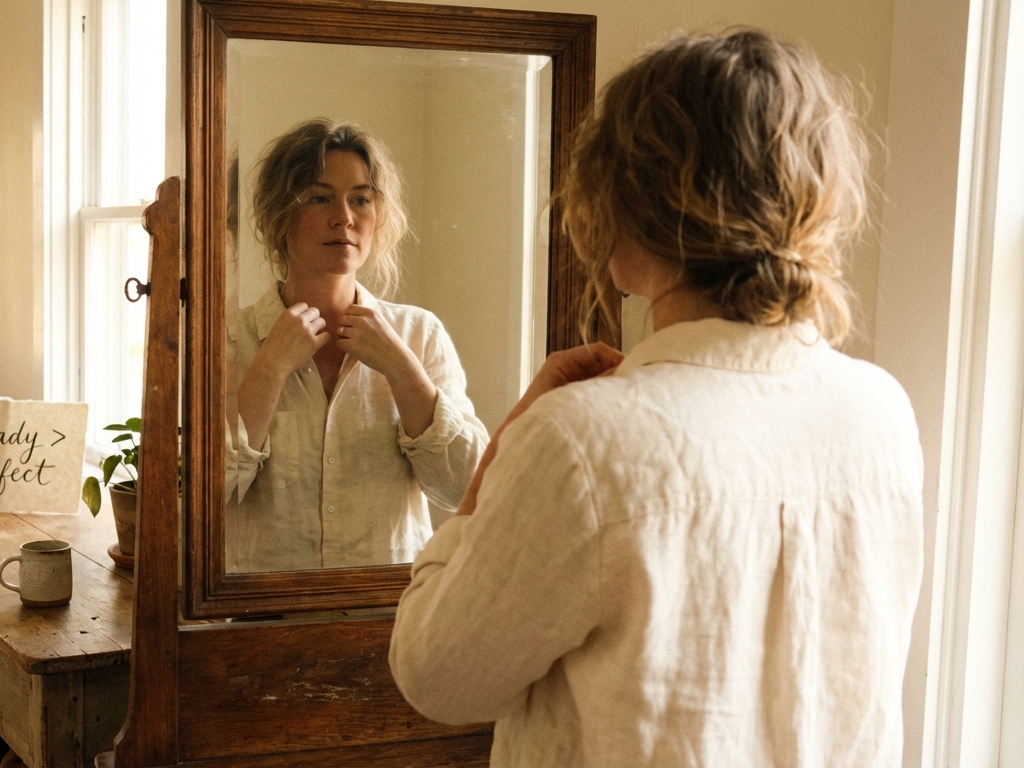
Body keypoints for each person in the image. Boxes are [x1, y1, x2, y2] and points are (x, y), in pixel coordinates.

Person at [390, 30, 923, 766]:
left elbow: (437, 677)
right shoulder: (880, 413)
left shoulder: (581, 441)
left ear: (630, 203)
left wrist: (512, 446)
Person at [226, 118, 489, 573]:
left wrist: (402, 368)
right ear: (278, 213)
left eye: (361, 199)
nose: (344, 217)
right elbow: (204, 498)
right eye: (320, 197)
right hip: (262, 621)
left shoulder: (419, 335)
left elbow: (468, 488)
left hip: (391, 618)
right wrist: (268, 370)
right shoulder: (231, 339)